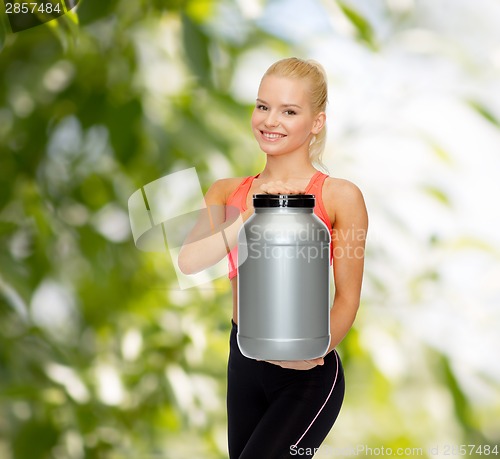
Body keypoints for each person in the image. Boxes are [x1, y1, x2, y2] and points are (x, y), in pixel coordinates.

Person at [178, 57, 368, 459]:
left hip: (308, 376)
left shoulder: (339, 196)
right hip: (243, 363)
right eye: (263, 106)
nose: (271, 120)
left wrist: (310, 353)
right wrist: (248, 216)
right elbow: (190, 261)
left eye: (289, 111)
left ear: (316, 122)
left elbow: (348, 299)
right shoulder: (227, 191)